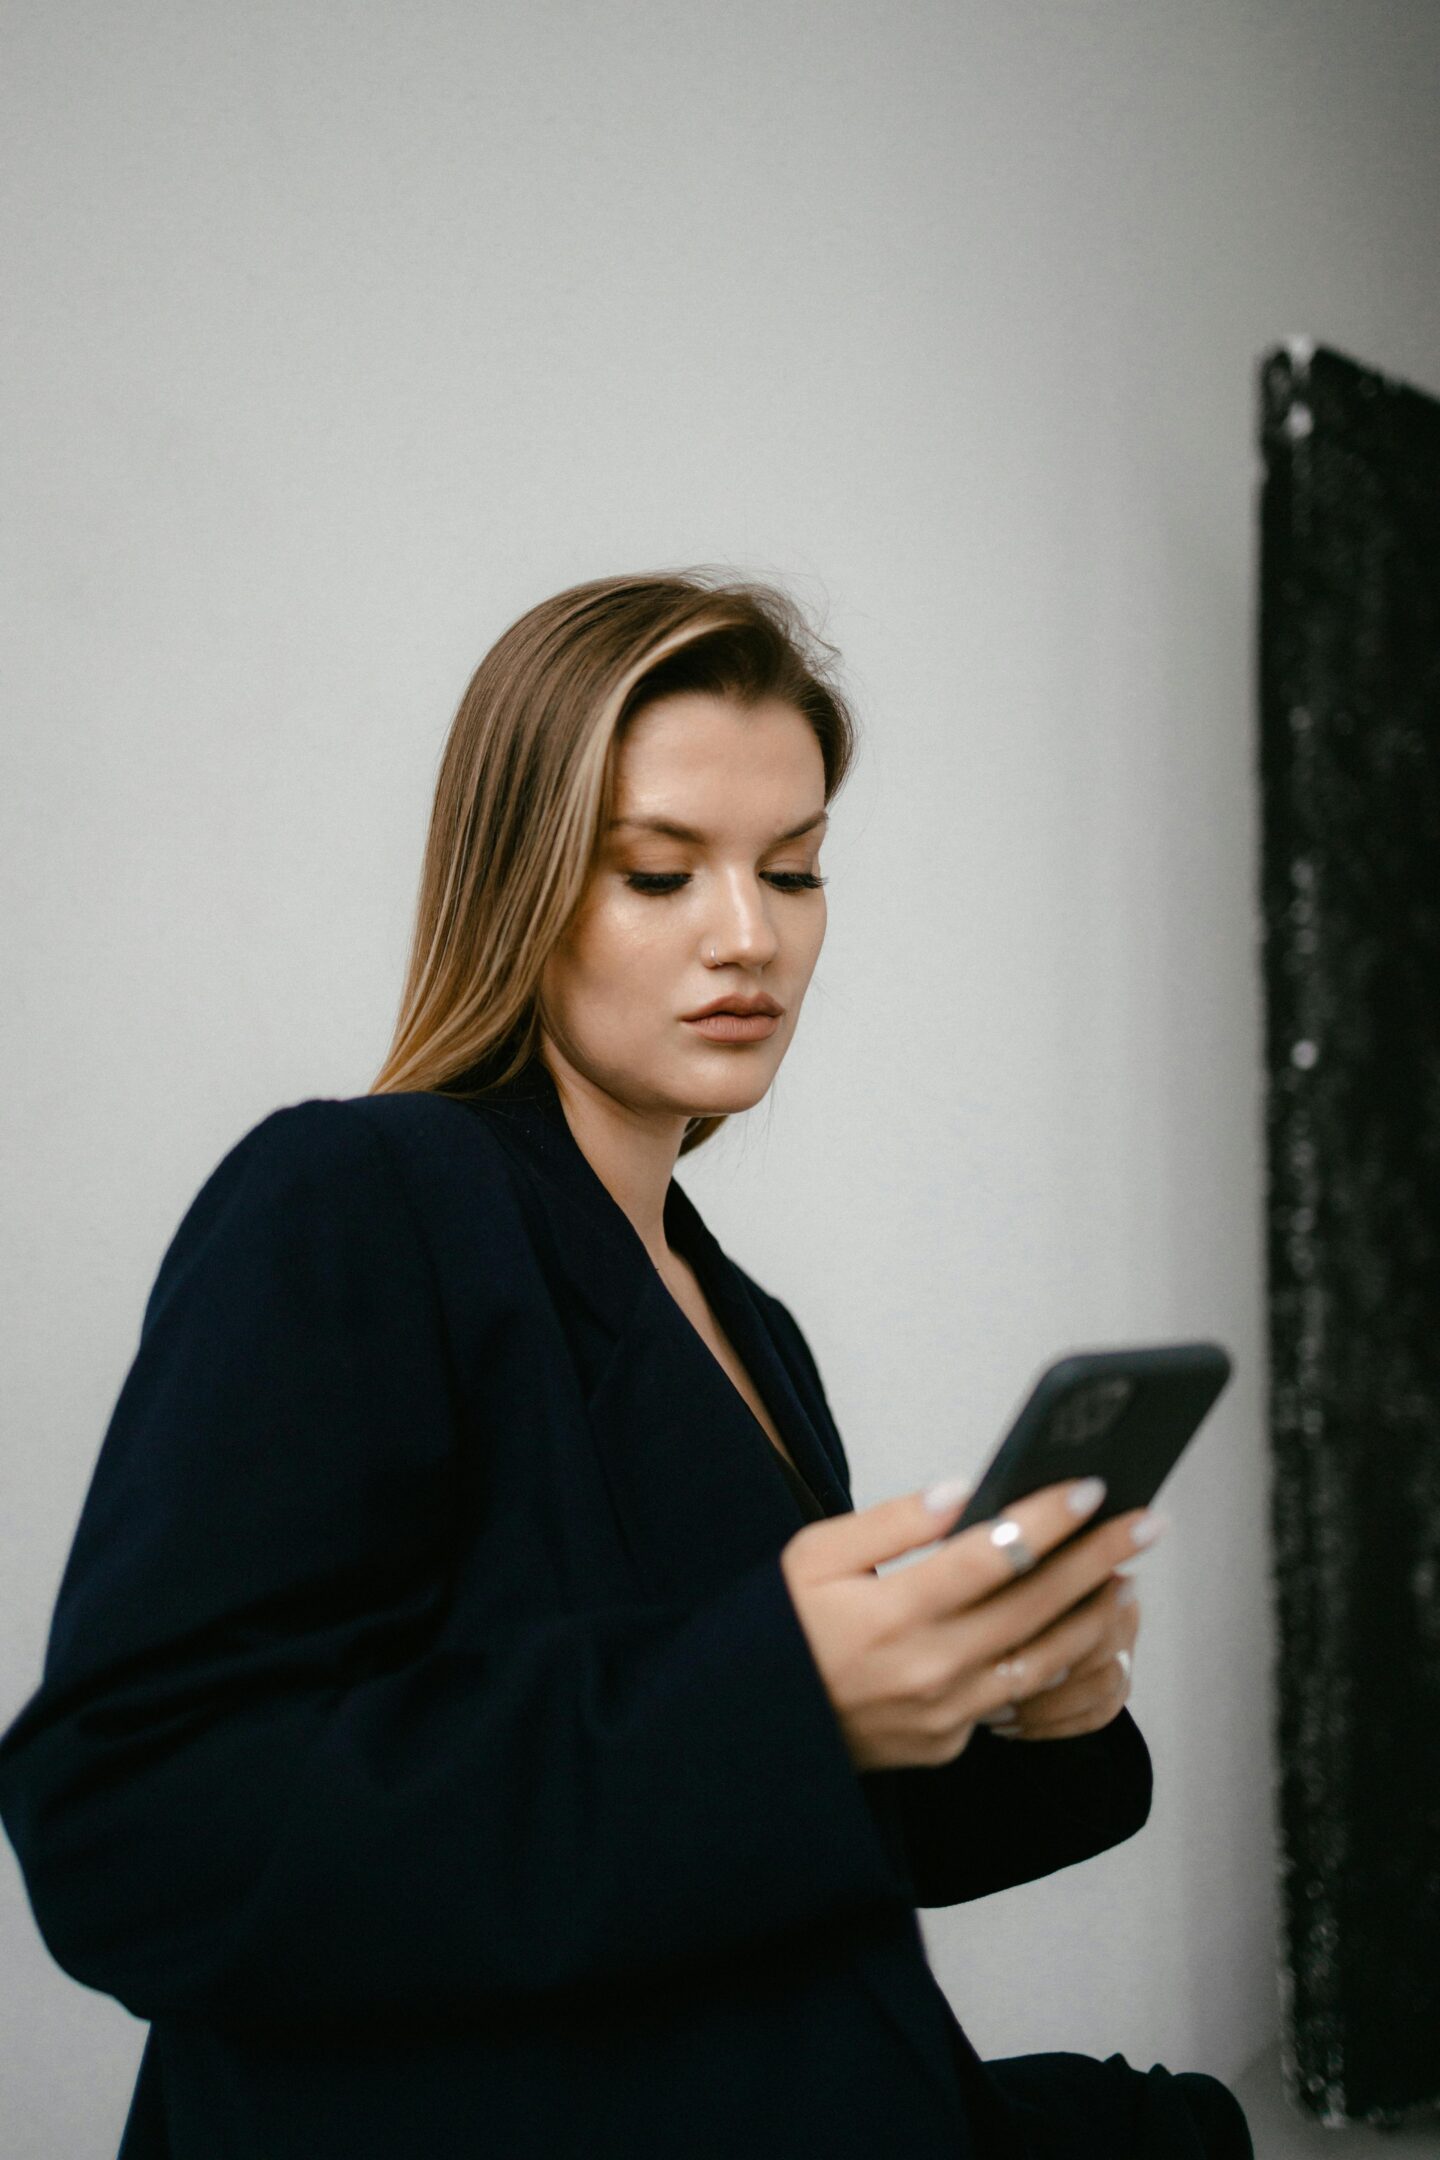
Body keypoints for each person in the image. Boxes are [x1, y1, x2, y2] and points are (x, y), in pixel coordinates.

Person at [0, 569, 1253, 2160]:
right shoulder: (360, 1197)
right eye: (661, 874)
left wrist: (1018, 1715)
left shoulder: (746, 1322)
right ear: (523, 882)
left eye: (794, 872)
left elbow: (758, 1822)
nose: (751, 936)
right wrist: (784, 1691)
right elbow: (136, 1830)